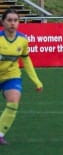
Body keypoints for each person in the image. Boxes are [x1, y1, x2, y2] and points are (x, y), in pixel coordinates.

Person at [0, 8, 44, 145]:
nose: (12, 23)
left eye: (15, 20)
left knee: (13, 101)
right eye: (9, 20)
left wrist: (36, 81)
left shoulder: (22, 40)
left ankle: (0, 134)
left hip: (11, 76)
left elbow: (26, 59)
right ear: (3, 22)